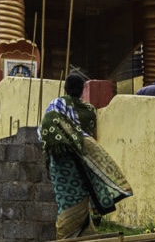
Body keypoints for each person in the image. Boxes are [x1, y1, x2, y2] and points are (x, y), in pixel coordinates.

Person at [40, 73, 133, 239]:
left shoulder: (56, 105)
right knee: (81, 201)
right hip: (85, 162)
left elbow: (45, 130)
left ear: (65, 88)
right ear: (83, 90)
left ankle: (66, 237)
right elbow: (90, 135)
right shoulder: (89, 110)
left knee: (66, 203)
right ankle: (85, 234)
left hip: (63, 164)